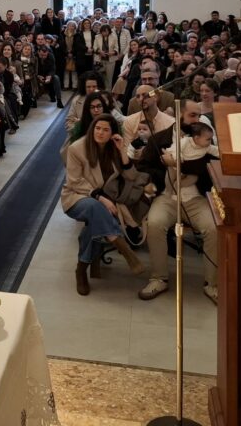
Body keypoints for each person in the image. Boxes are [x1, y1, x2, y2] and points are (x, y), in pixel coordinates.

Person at [137, 101, 219, 303]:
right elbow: (143, 168)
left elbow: (213, 167)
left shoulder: (205, 139)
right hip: (167, 196)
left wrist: (179, 164)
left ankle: (212, 284)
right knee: (155, 223)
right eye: (192, 115)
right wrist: (166, 173)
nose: (197, 120)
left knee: (213, 228)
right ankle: (159, 278)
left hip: (196, 198)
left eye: (199, 116)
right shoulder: (159, 139)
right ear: (178, 114)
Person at [61, 114, 147, 296]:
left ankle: (81, 269)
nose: (100, 133)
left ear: (113, 133)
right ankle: (123, 247)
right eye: (97, 128)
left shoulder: (114, 148)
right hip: (77, 196)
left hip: (107, 201)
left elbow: (131, 176)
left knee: (94, 224)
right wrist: (100, 197)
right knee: (95, 207)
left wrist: (122, 150)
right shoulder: (77, 148)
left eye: (106, 130)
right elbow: (74, 182)